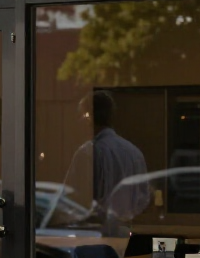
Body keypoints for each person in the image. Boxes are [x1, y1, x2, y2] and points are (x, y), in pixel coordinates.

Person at [63, 90, 149, 236]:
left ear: (89, 117)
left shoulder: (88, 152)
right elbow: (143, 199)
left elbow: (72, 198)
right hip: (125, 235)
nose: (79, 121)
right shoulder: (134, 153)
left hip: (93, 236)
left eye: (82, 115)